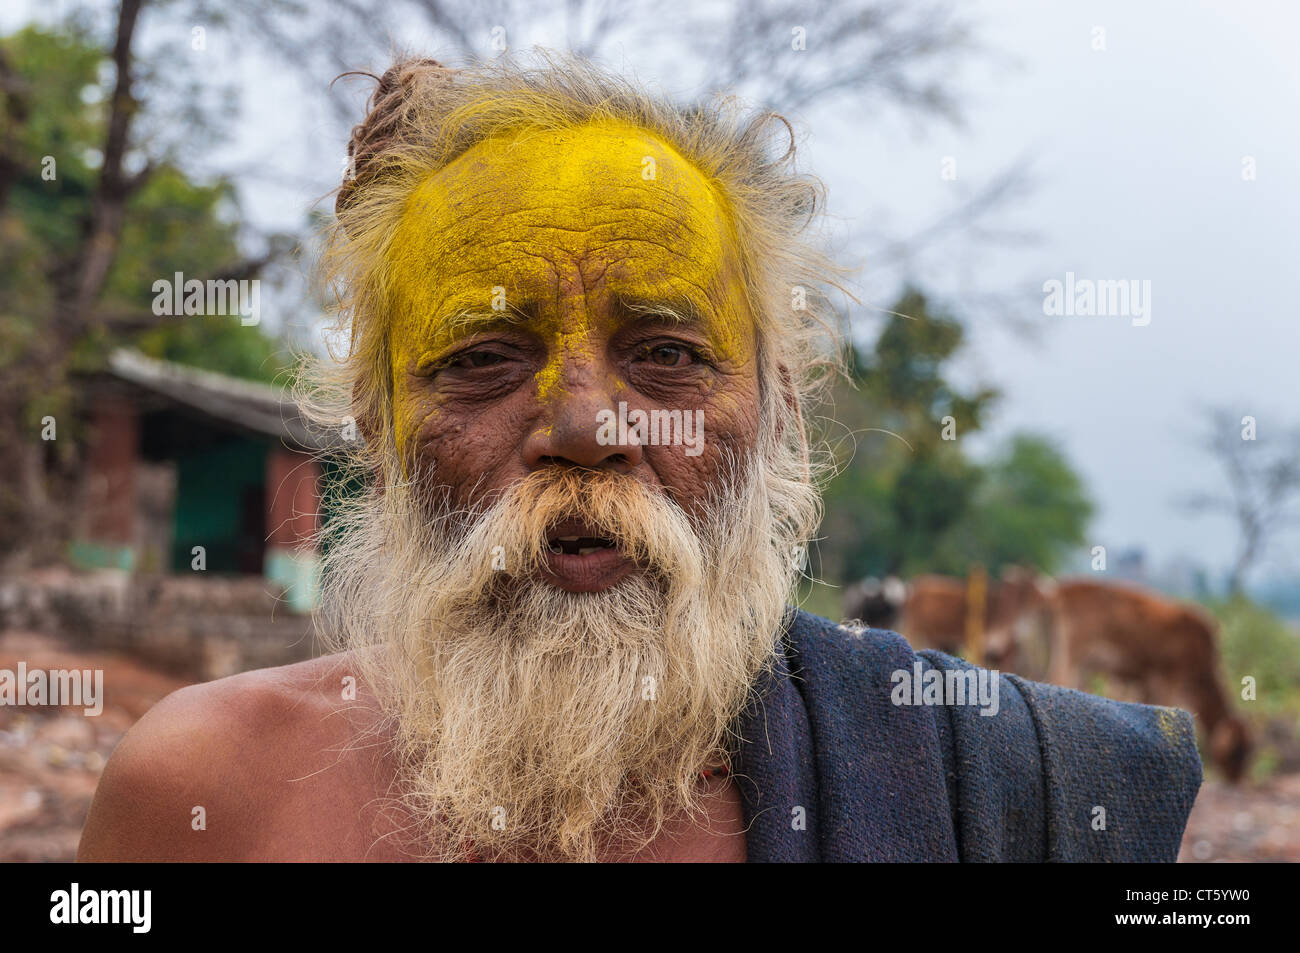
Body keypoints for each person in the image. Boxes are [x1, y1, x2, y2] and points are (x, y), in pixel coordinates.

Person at [77, 55, 1201, 863]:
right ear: (374, 423)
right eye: (481, 357)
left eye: (665, 353)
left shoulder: (1011, 782)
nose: (584, 425)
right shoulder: (206, 792)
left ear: (779, 410)